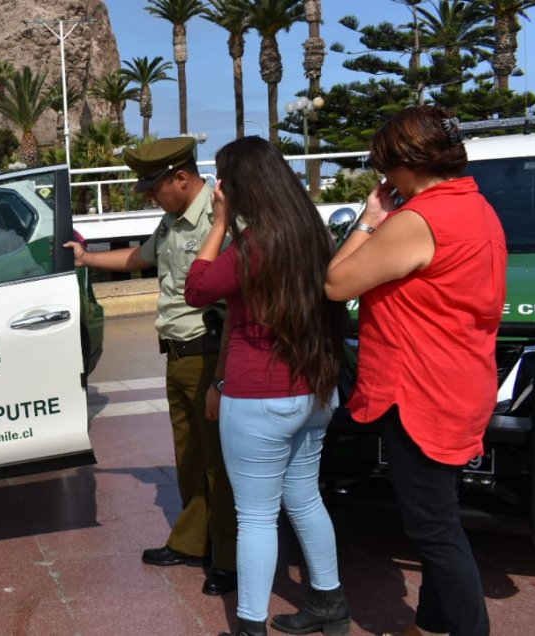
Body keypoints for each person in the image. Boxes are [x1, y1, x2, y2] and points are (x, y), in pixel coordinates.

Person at [326, 106, 504, 636]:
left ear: (406, 164)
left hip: (421, 392)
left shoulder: (420, 221)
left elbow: (336, 283)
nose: (383, 180)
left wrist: (369, 217)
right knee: (441, 515)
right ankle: (430, 624)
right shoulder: (478, 209)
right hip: (460, 383)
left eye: (386, 169)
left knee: (434, 530)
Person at [184, 137, 349, 636]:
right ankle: (330, 602)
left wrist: (217, 223)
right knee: (304, 498)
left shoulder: (251, 245)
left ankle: (250, 627)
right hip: (314, 390)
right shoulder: (311, 235)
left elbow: (198, 288)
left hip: (260, 397)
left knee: (255, 516)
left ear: (240, 187)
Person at [65, 137, 238, 596]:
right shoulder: (173, 220)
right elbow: (138, 258)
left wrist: (223, 374)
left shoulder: (221, 220)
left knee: (220, 464)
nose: (149, 196)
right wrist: (85, 259)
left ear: (181, 178)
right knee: (189, 457)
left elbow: (237, 298)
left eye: (154, 188)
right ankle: (193, 542)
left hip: (210, 351)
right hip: (178, 355)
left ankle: (230, 558)